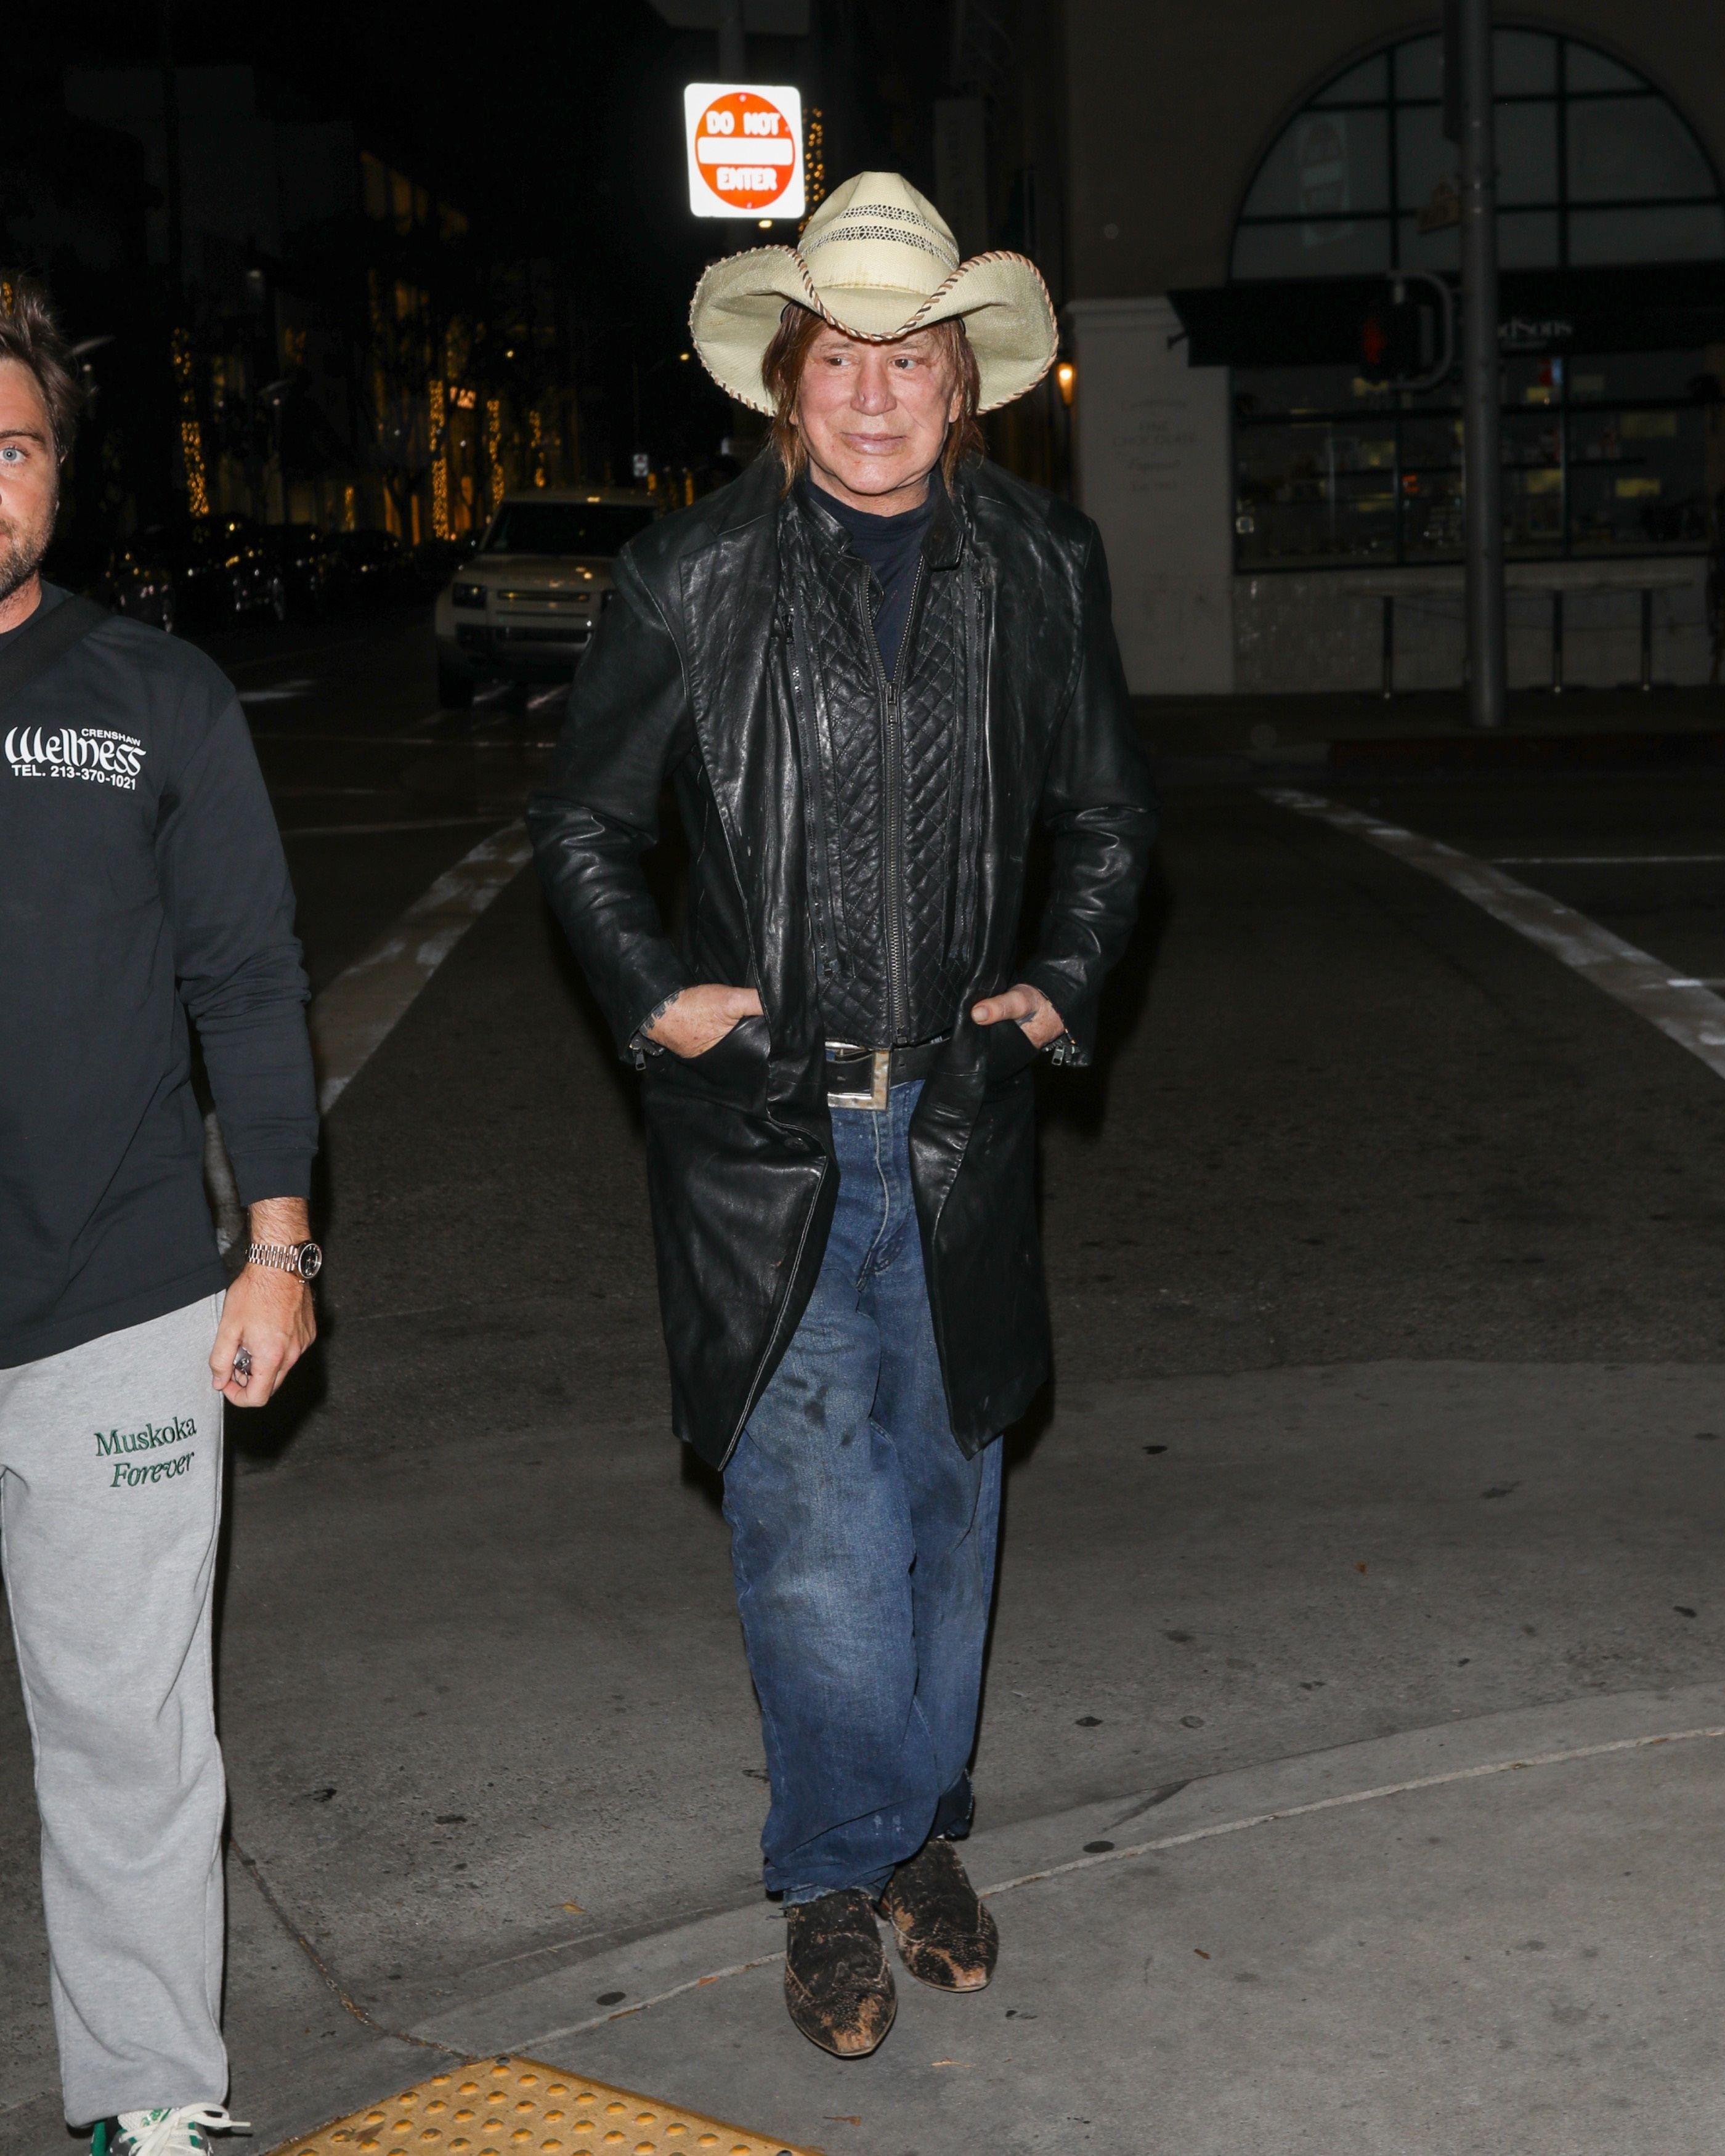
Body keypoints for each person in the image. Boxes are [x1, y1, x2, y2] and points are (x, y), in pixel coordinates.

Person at [529, 173, 1155, 2057]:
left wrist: (1067, 973)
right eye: (840, 359)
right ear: (786, 383)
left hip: (965, 1125)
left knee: (952, 1506)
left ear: (963, 387)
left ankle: (919, 1834)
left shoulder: (1046, 569)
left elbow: (1115, 820)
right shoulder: (687, 578)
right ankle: (833, 1870)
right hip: (764, 1144)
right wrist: (657, 992)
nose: (876, 392)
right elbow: (580, 831)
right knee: (813, 1522)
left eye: (911, 359)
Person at [0, 280, 321, 2154]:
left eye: (14, 446)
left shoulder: (156, 697)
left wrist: (275, 1247)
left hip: (116, 1295)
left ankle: (148, 2100)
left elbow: (250, 978)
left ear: (56, 476)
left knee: (129, 1736)